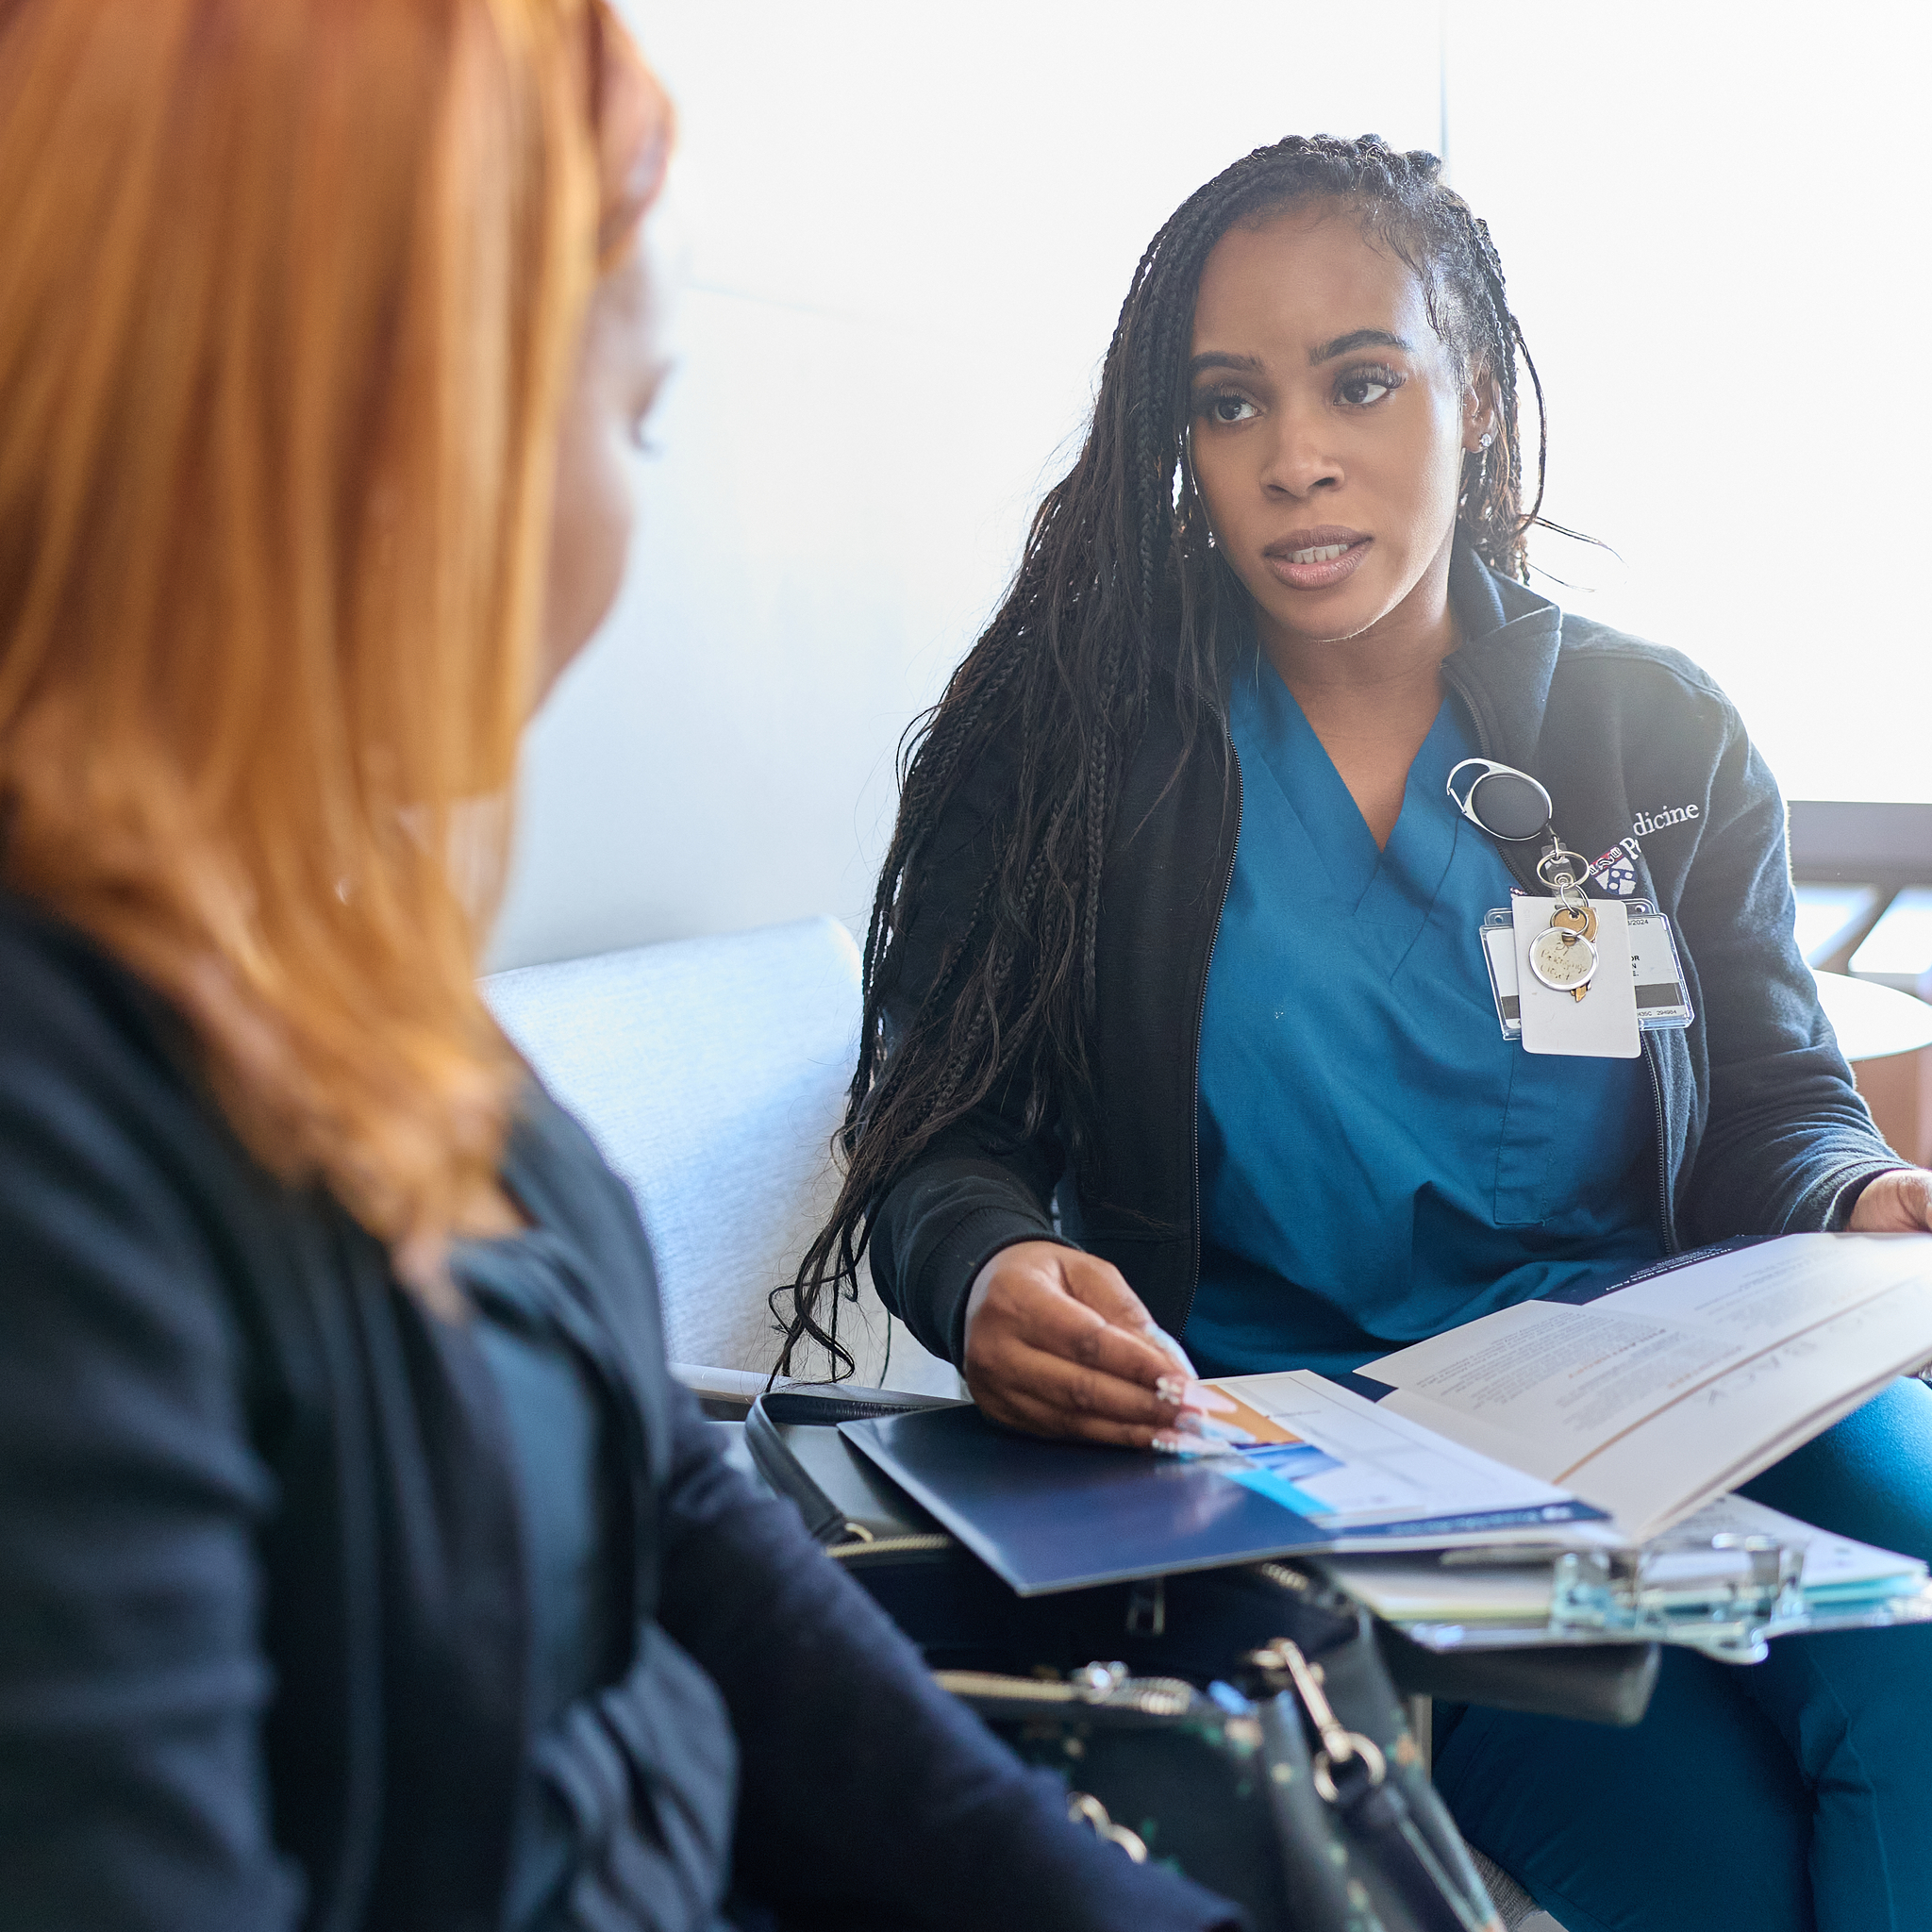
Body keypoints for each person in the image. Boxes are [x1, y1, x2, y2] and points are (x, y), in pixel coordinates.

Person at [0, 5, 1250, 1929]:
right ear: (395, 423)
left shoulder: (314, 954)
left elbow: (668, 1512)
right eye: (633, 417)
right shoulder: (58, 1151)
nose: (617, 529)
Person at [782, 133, 1932, 1932]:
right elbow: (944, 1125)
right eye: (1229, 404)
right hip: (1331, 1461)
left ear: (1472, 396)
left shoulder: (1651, 731)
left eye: (1362, 382)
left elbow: (1774, 1103)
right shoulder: (1077, 745)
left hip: (1683, 1393)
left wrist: (1865, 1199)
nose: (1295, 456)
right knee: (1703, 1872)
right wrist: (988, 1267)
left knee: (1923, 1667)